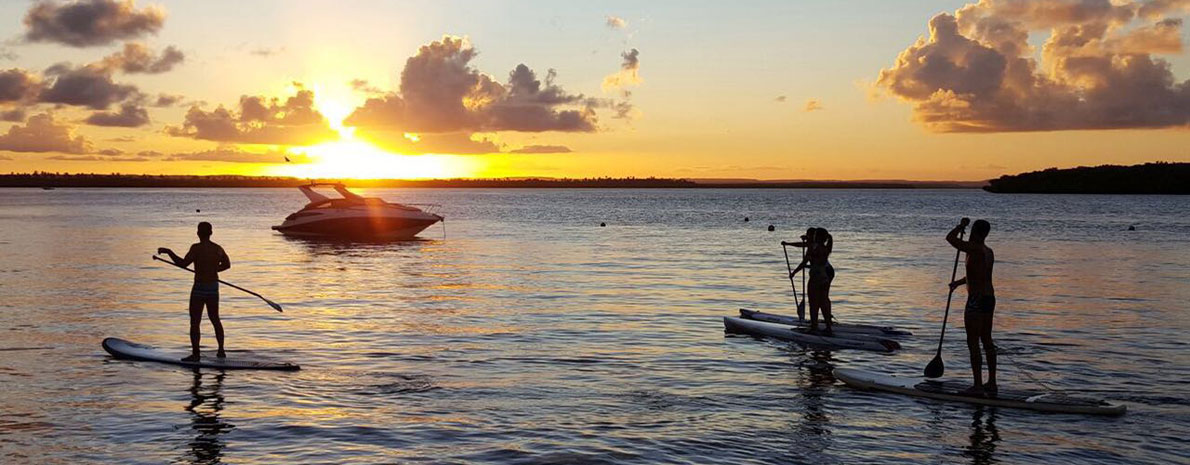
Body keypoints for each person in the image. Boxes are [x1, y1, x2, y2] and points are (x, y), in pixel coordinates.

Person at [158, 222, 231, 362]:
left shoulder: (196, 248)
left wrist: (169, 252)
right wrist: (214, 270)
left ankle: (196, 354)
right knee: (215, 319)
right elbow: (227, 265)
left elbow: (183, 264)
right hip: (213, 288)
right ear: (211, 233)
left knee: (195, 321)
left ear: (198, 233)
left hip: (199, 288)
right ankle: (221, 351)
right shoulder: (218, 249)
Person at [947, 218, 996, 397]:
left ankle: (977, 386)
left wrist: (960, 226)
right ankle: (991, 382)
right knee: (987, 340)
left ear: (975, 232)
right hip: (989, 298)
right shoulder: (987, 251)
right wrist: (958, 283)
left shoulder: (974, 248)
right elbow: (976, 275)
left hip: (976, 300)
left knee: (973, 342)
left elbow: (950, 239)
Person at [791, 227, 835, 336]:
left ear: (816, 237)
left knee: (813, 303)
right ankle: (828, 327)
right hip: (824, 278)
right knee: (823, 302)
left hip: (815, 279)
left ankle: (814, 327)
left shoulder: (812, 248)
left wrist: (794, 273)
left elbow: (804, 262)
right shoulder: (826, 248)